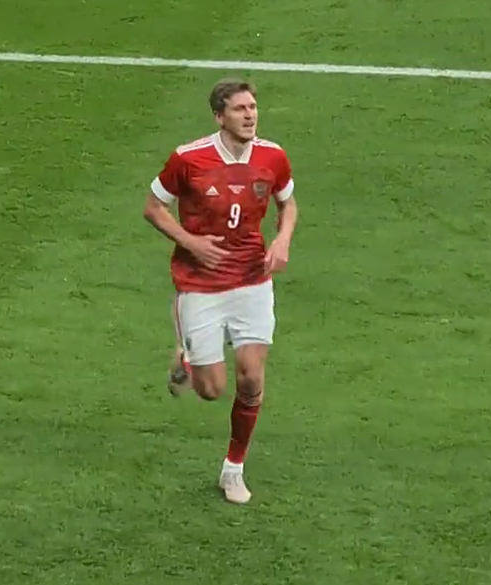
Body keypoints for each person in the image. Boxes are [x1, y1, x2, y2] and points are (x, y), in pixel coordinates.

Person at [142, 78, 298, 505]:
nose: (250, 115)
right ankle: (186, 355)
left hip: (252, 281)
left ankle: (233, 468)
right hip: (200, 285)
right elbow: (153, 208)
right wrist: (190, 242)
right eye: (239, 109)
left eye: (253, 107)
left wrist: (282, 240)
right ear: (218, 116)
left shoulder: (272, 156)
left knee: (251, 377)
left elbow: (288, 203)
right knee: (211, 390)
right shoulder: (188, 159)